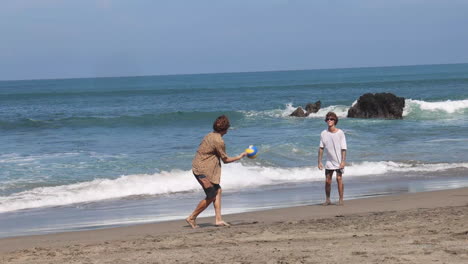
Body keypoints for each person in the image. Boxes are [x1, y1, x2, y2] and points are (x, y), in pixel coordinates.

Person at [186, 115, 247, 228]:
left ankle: (218, 220)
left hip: (203, 168)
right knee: (211, 195)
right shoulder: (219, 141)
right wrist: (240, 156)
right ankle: (191, 217)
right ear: (226, 129)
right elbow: (226, 160)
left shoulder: (209, 135)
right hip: (201, 170)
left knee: (218, 190)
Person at [318, 112, 347, 206]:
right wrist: (319, 162)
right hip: (329, 161)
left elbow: (344, 148)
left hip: (339, 161)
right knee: (327, 180)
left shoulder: (340, 133)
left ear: (335, 121)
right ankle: (328, 200)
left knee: (339, 179)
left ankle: (341, 199)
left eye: (331, 119)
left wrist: (343, 161)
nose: (329, 121)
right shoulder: (323, 133)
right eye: (328, 119)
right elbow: (321, 148)